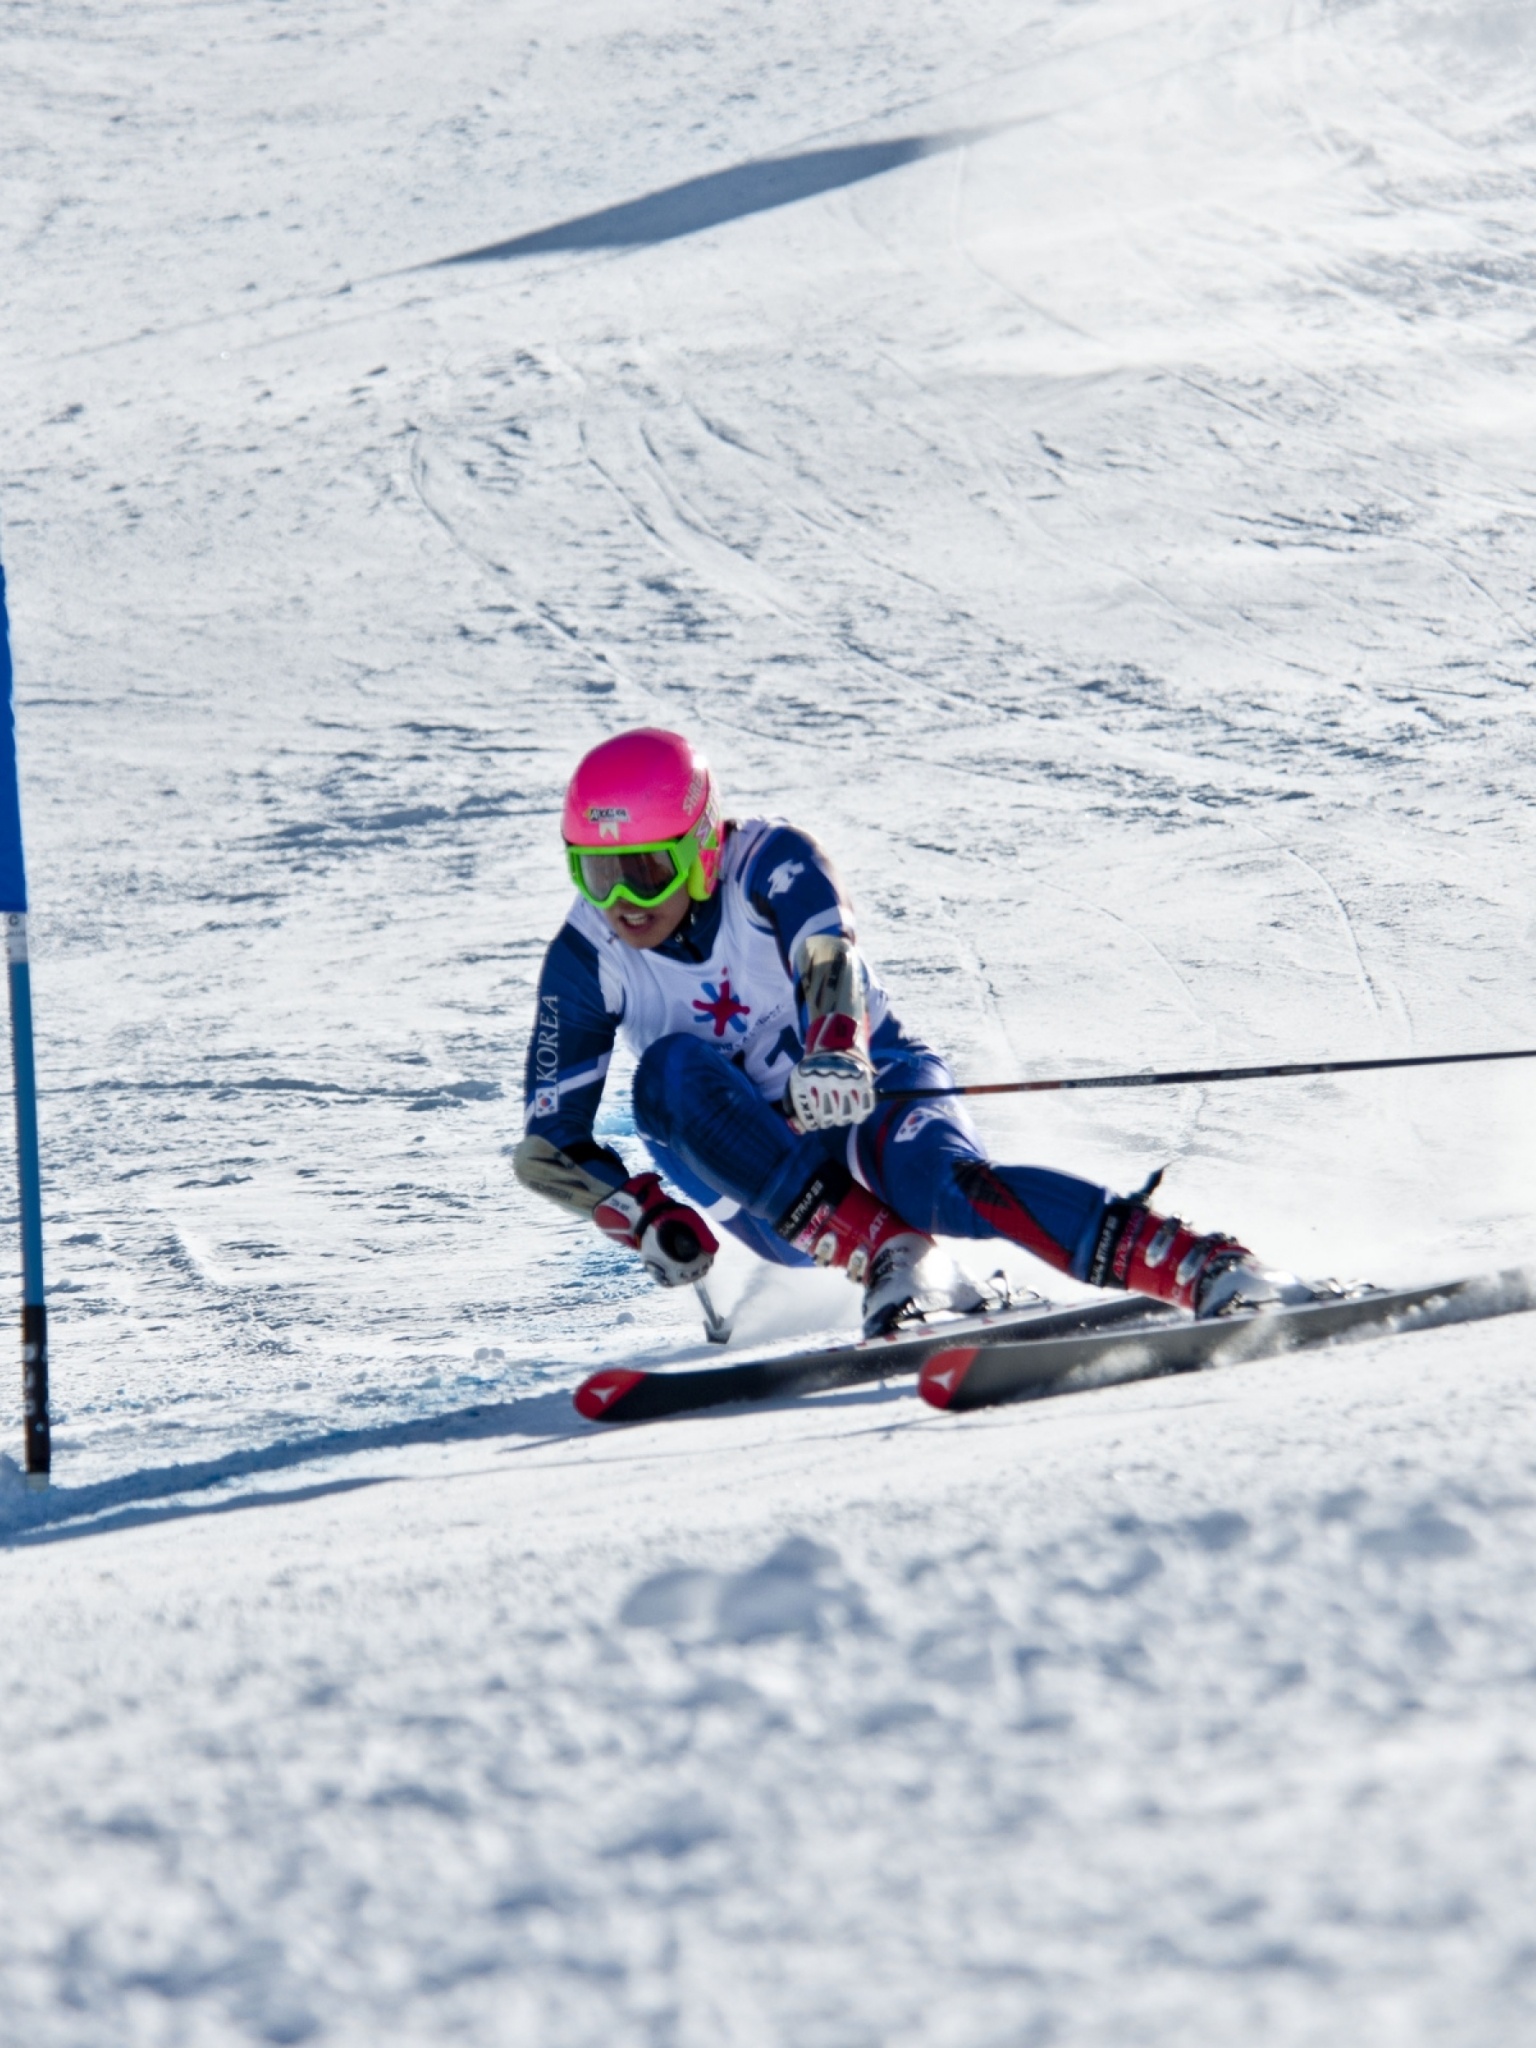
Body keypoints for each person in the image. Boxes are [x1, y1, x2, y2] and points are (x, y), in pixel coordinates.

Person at [514, 728, 1315, 1336]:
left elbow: (827, 949)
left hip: (864, 1090)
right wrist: (643, 1214)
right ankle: (897, 1259)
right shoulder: (588, 956)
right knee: (667, 1076)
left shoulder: (770, 861)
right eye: (596, 872)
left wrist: (833, 1043)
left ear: (699, 845)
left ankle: (1207, 1267)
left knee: (944, 1183)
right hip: (763, 1182)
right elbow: (550, 1145)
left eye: (645, 870)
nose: (623, 901)